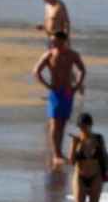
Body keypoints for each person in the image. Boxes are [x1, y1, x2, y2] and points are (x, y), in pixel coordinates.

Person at [33, 31, 86, 167]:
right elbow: (36, 71)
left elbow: (82, 70)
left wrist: (76, 87)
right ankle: (56, 154)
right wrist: (47, 85)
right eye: (52, 40)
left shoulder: (72, 54)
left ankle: (59, 152)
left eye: (55, 40)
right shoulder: (49, 54)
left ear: (63, 41)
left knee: (62, 123)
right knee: (54, 123)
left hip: (68, 92)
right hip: (55, 93)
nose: (53, 42)